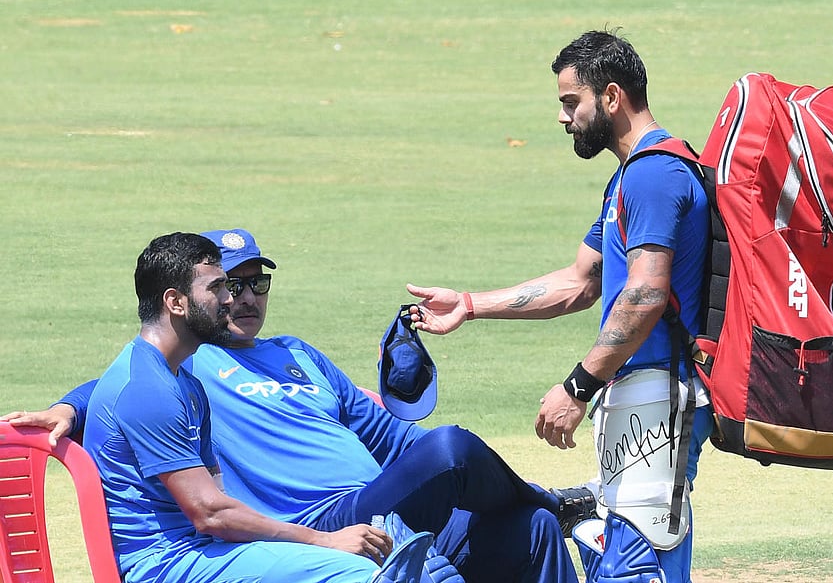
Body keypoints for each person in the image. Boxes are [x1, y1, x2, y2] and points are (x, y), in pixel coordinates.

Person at [5, 228, 580, 583]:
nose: (242, 297)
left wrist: (441, 465)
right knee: (452, 454)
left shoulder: (298, 354)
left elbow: (391, 438)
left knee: (531, 532)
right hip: (311, 522)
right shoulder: (192, 362)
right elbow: (119, 390)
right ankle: (556, 502)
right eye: (227, 285)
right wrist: (66, 409)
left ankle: (545, 511)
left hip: (382, 502)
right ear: (181, 301)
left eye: (257, 283)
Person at [406, 29, 714, 583]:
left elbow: (644, 295)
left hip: (659, 391)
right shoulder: (631, 177)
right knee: (632, 545)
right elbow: (581, 281)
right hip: (642, 393)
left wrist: (578, 387)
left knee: (637, 563)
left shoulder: (654, 174)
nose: (562, 117)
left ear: (612, 97)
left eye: (571, 101)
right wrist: (471, 305)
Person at [69, 232, 434, 583]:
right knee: (364, 573)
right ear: (175, 302)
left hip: (209, 550)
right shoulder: (149, 390)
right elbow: (211, 514)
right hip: (166, 564)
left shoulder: (187, 383)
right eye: (216, 289)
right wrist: (325, 539)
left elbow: (219, 495)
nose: (229, 300)